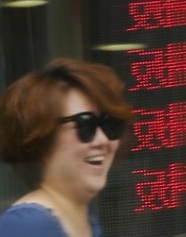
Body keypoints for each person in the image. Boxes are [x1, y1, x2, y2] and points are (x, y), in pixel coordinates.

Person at [0, 58, 133, 237]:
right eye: (85, 125)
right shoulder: (28, 226)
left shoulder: (85, 218)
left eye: (111, 124)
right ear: (41, 138)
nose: (103, 140)